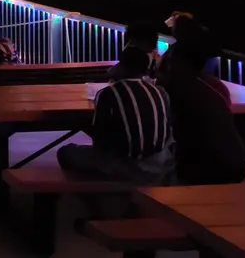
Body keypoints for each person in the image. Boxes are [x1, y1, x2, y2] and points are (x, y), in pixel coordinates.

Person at [57, 46, 173, 185]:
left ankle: (86, 196)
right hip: (159, 164)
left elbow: (99, 139)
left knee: (65, 152)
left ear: (122, 66)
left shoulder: (108, 93)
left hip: (126, 167)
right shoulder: (160, 92)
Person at [165, 42, 245, 185]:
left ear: (182, 63)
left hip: (207, 170)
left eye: (171, 61)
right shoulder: (216, 84)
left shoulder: (177, 87)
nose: (168, 65)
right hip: (237, 164)